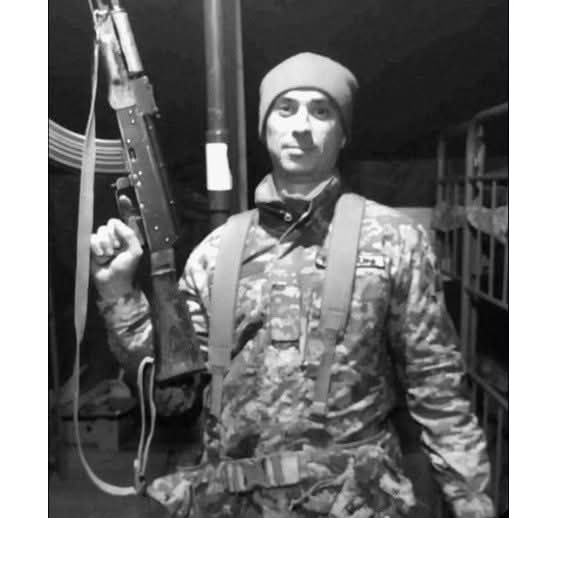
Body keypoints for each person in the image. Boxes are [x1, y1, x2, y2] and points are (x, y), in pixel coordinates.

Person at [90, 52, 494, 517]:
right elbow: (173, 393)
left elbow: (437, 388)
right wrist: (119, 293)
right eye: (285, 109)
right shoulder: (215, 253)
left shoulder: (395, 241)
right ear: (265, 128)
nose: (301, 126)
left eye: (321, 111)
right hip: (236, 509)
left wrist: (472, 506)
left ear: (343, 133)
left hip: (359, 506)